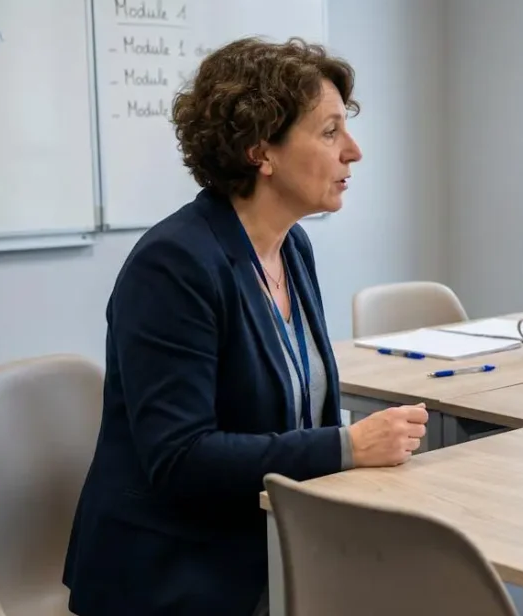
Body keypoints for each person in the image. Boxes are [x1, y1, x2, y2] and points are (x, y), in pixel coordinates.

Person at [63, 37, 429, 615]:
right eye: (330, 132)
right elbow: (180, 458)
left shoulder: (292, 246)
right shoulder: (174, 265)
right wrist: (345, 447)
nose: (353, 151)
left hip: (267, 542)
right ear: (262, 150)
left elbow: (295, 408)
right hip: (175, 571)